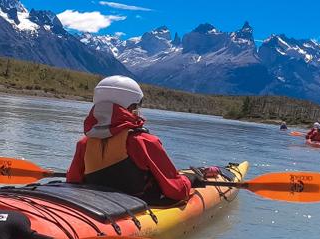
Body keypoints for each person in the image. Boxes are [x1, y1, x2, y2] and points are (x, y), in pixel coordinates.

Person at [65, 76, 215, 203]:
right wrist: (192, 179)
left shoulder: (84, 142)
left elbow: (72, 181)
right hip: (135, 205)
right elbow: (176, 191)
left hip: (96, 205)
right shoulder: (144, 141)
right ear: (132, 106)